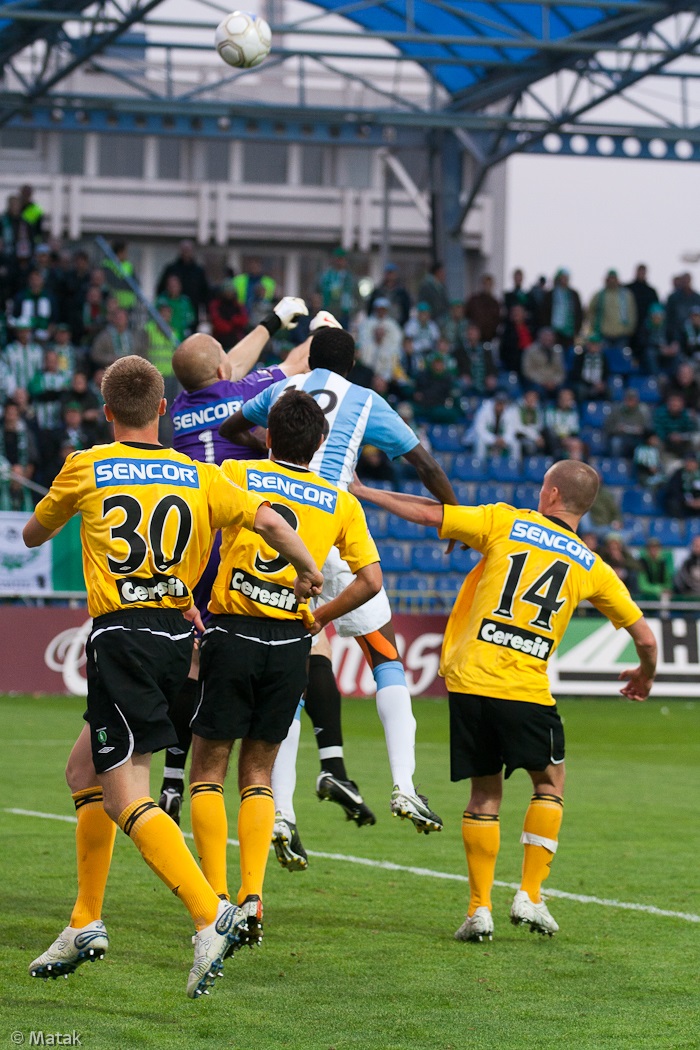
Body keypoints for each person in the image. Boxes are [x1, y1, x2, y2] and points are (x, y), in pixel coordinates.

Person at [22, 355, 322, 998]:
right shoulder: (199, 474)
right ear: (161, 409)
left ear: (107, 412)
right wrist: (307, 568)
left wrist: (53, 510)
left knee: (123, 794)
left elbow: (32, 534)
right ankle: (85, 920)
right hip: (175, 639)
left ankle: (210, 915)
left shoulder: (87, 465)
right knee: (83, 772)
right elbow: (270, 521)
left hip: (122, 637)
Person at [350, 459, 656, 942]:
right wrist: (644, 675)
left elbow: (428, 513)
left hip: (469, 682)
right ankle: (530, 895)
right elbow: (646, 638)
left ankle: (479, 909)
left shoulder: (505, 522)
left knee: (485, 795)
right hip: (525, 689)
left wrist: (365, 492)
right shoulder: (592, 565)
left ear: (552, 494)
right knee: (550, 782)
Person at [220, 323, 457, 842]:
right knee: (385, 658)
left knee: (291, 677)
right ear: (351, 366)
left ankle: (282, 811)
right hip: (332, 524)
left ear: (310, 361)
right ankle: (404, 785)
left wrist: (263, 455)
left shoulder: (285, 389)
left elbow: (232, 427)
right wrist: (454, 515)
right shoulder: (366, 400)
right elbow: (424, 464)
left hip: (276, 534)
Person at [189, 390, 382, 943]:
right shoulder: (341, 502)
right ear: (320, 442)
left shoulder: (236, 473)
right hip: (290, 644)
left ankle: (215, 902)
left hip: (233, 632)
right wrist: (320, 617)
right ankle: (252, 901)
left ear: (269, 437)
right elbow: (370, 581)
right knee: (259, 772)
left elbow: (198, 530)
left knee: (208, 768)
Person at [156, 297, 310, 821]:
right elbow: (298, 362)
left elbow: (225, 363)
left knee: (194, 663)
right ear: (224, 372)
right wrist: (321, 328)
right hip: (238, 542)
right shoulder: (245, 392)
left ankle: (171, 779)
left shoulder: (181, 407)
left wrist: (271, 320)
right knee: (242, 659)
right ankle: (273, 789)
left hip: (192, 549)